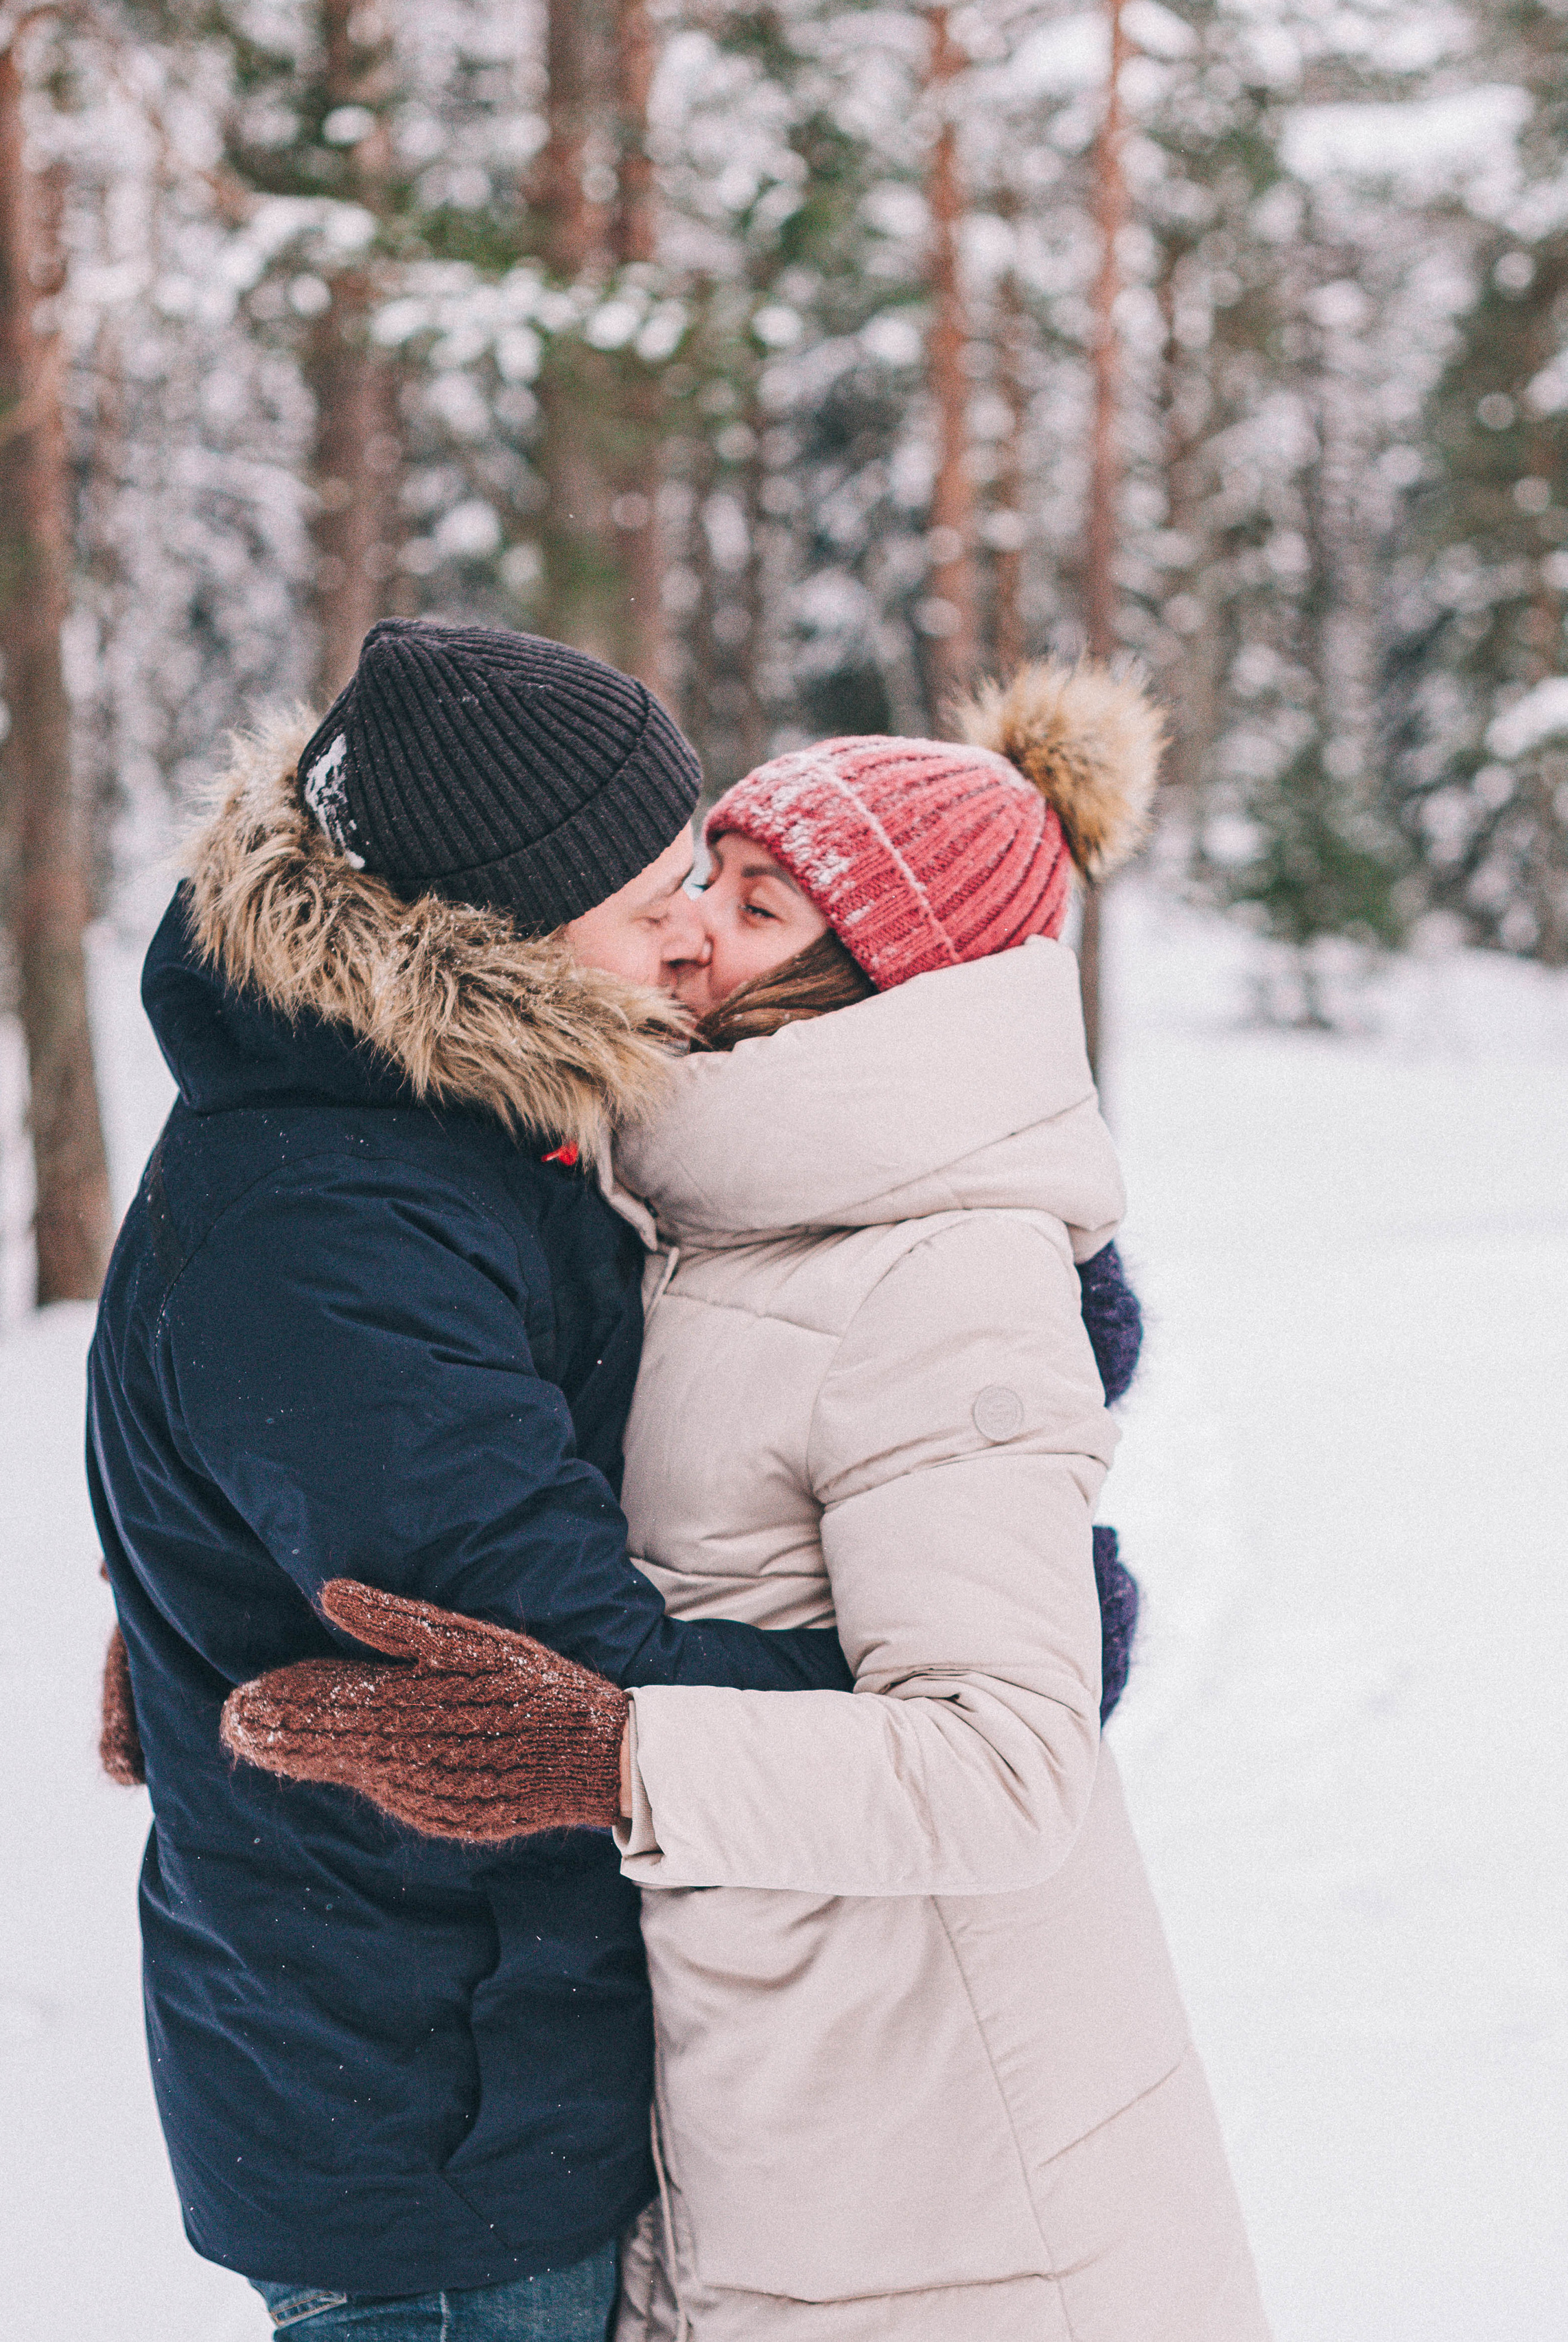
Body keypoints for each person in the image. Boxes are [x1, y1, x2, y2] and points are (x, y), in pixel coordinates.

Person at [228, 663, 1272, 2340]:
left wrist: (610, 1754)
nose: (690, 927)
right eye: (705, 875)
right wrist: (255, 1579)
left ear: (875, 979)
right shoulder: (714, 1206)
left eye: (757, 902)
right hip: (770, 2101)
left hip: (942, 2165)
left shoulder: (943, 1273)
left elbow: (1009, 1764)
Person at [86, 620, 856, 2339]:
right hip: (430, 2121)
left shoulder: (441, 1119)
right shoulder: (335, 1227)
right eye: (647, 896)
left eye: (696, 866)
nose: (692, 928)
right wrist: (933, 1692)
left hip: (469, 2050)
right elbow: (572, 1668)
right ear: (487, 936)